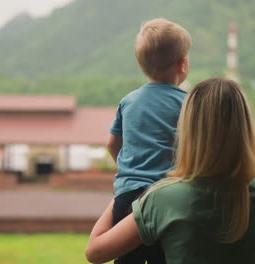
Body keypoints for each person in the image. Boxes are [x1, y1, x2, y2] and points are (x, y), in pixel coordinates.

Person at [86, 78, 255, 264]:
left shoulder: (164, 199)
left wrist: (129, 177)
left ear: (188, 130)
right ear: (244, 126)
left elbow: (95, 251)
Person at [106, 18, 192, 264]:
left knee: (127, 257)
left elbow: (112, 144)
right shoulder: (187, 103)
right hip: (167, 195)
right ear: (182, 64)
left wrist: (128, 170)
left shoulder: (129, 101)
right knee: (163, 256)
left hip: (127, 194)